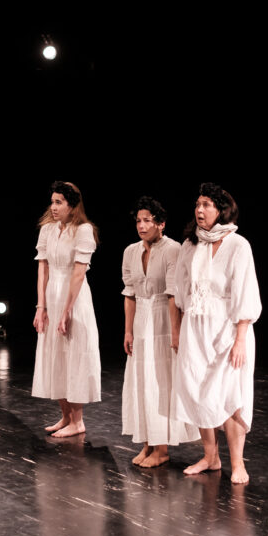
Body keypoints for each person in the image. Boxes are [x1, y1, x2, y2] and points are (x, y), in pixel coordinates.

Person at [171, 183, 261, 484]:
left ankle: (237, 463)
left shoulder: (238, 245)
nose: (200, 210)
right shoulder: (190, 244)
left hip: (228, 329)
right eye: (198, 204)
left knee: (230, 395)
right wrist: (177, 330)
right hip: (196, 328)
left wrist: (240, 339)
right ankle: (210, 457)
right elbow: (180, 291)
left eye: (207, 204)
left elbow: (245, 292)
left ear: (221, 210)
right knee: (198, 392)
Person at [121, 196, 200, 467]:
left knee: (160, 383)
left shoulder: (172, 249)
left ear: (161, 224)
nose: (142, 226)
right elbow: (129, 294)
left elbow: (172, 294)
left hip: (163, 320)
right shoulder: (130, 251)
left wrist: (175, 332)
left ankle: (162, 449)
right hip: (141, 320)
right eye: (138, 221)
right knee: (141, 382)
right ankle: (147, 443)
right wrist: (128, 331)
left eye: (148, 221)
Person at [32, 181, 102, 437]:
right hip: (52, 294)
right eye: (52, 202)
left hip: (74, 297)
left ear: (72, 206)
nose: (53, 207)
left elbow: (79, 273)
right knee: (55, 355)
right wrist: (41, 306)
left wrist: (67, 310)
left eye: (59, 202)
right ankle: (65, 416)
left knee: (73, 355)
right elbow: (43, 269)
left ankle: (78, 421)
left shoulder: (83, 230)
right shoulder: (47, 230)